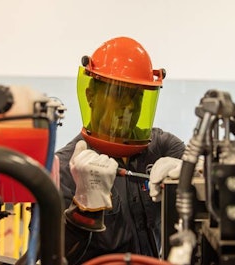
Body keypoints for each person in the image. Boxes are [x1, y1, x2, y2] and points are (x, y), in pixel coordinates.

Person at [56, 36, 187, 264]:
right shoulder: (65, 169)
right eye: (118, 95)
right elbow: (49, 256)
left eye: (136, 97)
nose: (129, 107)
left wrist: (190, 173)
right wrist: (83, 209)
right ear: (91, 97)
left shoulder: (165, 147)